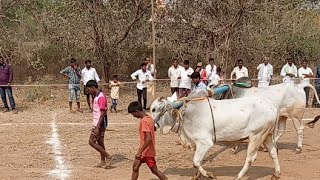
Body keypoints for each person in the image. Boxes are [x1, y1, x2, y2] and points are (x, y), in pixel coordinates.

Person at [127, 101, 167, 180]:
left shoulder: (144, 121)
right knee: (135, 167)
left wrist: (140, 152)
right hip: (145, 150)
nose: (133, 116)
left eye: (133, 114)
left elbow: (148, 138)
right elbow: (153, 129)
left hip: (146, 152)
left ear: (137, 111)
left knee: (155, 171)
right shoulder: (149, 118)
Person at [86, 80, 113, 168]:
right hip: (98, 122)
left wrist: (97, 127)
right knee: (100, 142)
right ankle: (103, 161)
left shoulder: (100, 97)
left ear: (93, 88)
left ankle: (108, 156)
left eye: (89, 89)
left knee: (91, 142)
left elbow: (102, 113)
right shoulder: (97, 96)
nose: (88, 91)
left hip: (99, 123)